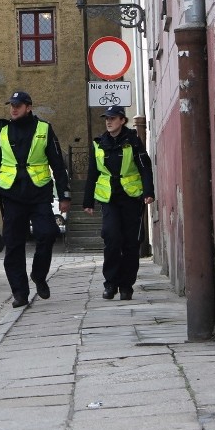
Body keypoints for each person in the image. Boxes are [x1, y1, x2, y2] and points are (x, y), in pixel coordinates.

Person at [0, 91, 71, 308]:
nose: (13, 109)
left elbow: (57, 164)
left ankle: (39, 276)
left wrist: (64, 194)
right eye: (11, 105)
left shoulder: (44, 129)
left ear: (28, 107)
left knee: (48, 233)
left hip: (39, 193)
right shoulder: (1, 131)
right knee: (13, 245)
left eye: (18, 105)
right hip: (11, 195)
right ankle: (20, 293)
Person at [83, 105, 155, 301]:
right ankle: (110, 283)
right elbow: (93, 173)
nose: (108, 121)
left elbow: (144, 167)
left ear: (122, 120)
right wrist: (87, 200)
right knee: (112, 238)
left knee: (131, 243)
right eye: (107, 118)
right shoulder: (99, 143)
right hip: (109, 199)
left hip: (131, 197)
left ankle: (126, 286)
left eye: (113, 118)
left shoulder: (133, 141)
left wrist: (148, 191)